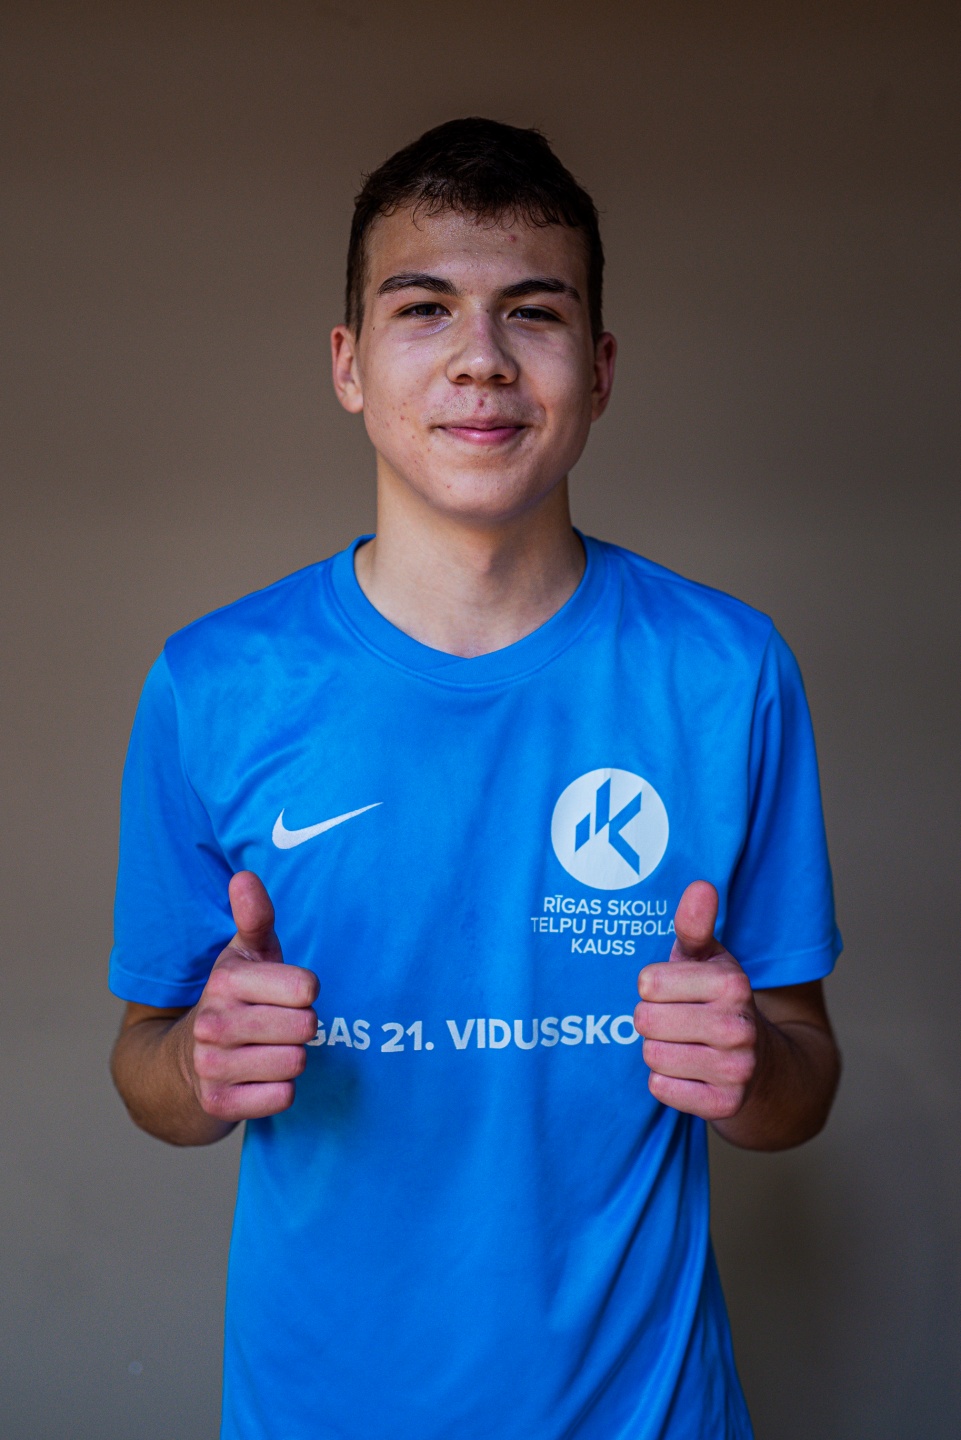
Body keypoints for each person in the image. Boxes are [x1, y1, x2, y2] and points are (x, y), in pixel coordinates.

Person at [109, 117, 842, 1440]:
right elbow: (145, 1063)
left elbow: (802, 1071)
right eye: (424, 307)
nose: (482, 359)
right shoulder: (211, 683)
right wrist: (198, 1066)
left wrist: (750, 1075)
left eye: (534, 311)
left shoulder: (726, 671)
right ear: (348, 364)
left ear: (599, 369)